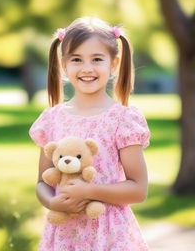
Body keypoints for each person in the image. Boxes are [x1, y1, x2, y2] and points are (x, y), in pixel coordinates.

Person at [29, 16, 151, 251]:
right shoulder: (52, 119)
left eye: (97, 59)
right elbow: (42, 182)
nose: (87, 68)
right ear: (64, 65)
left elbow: (138, 189)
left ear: (113, 64)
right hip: (64, 236)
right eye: (76, 59)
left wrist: (88, 191)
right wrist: (53, 201)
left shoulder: (123, 120)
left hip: (110, 235)